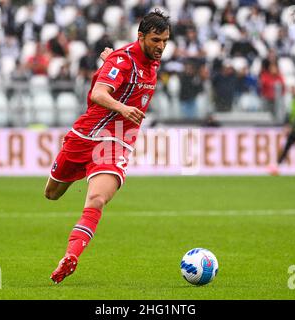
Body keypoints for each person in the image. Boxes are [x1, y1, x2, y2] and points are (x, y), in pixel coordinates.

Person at [47, 9, 171, 284]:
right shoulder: (122, 60)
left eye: (165, 40)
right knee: (52, 193)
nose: (161, 46)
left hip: (116, 140)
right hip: (85, 135)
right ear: (140, 37)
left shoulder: (150, 60)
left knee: (97, 199)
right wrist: (122, 106)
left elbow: (123, 72)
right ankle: (86, 169)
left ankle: (70, 256)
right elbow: (98, 93)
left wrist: (109, 64)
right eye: (155, 40)